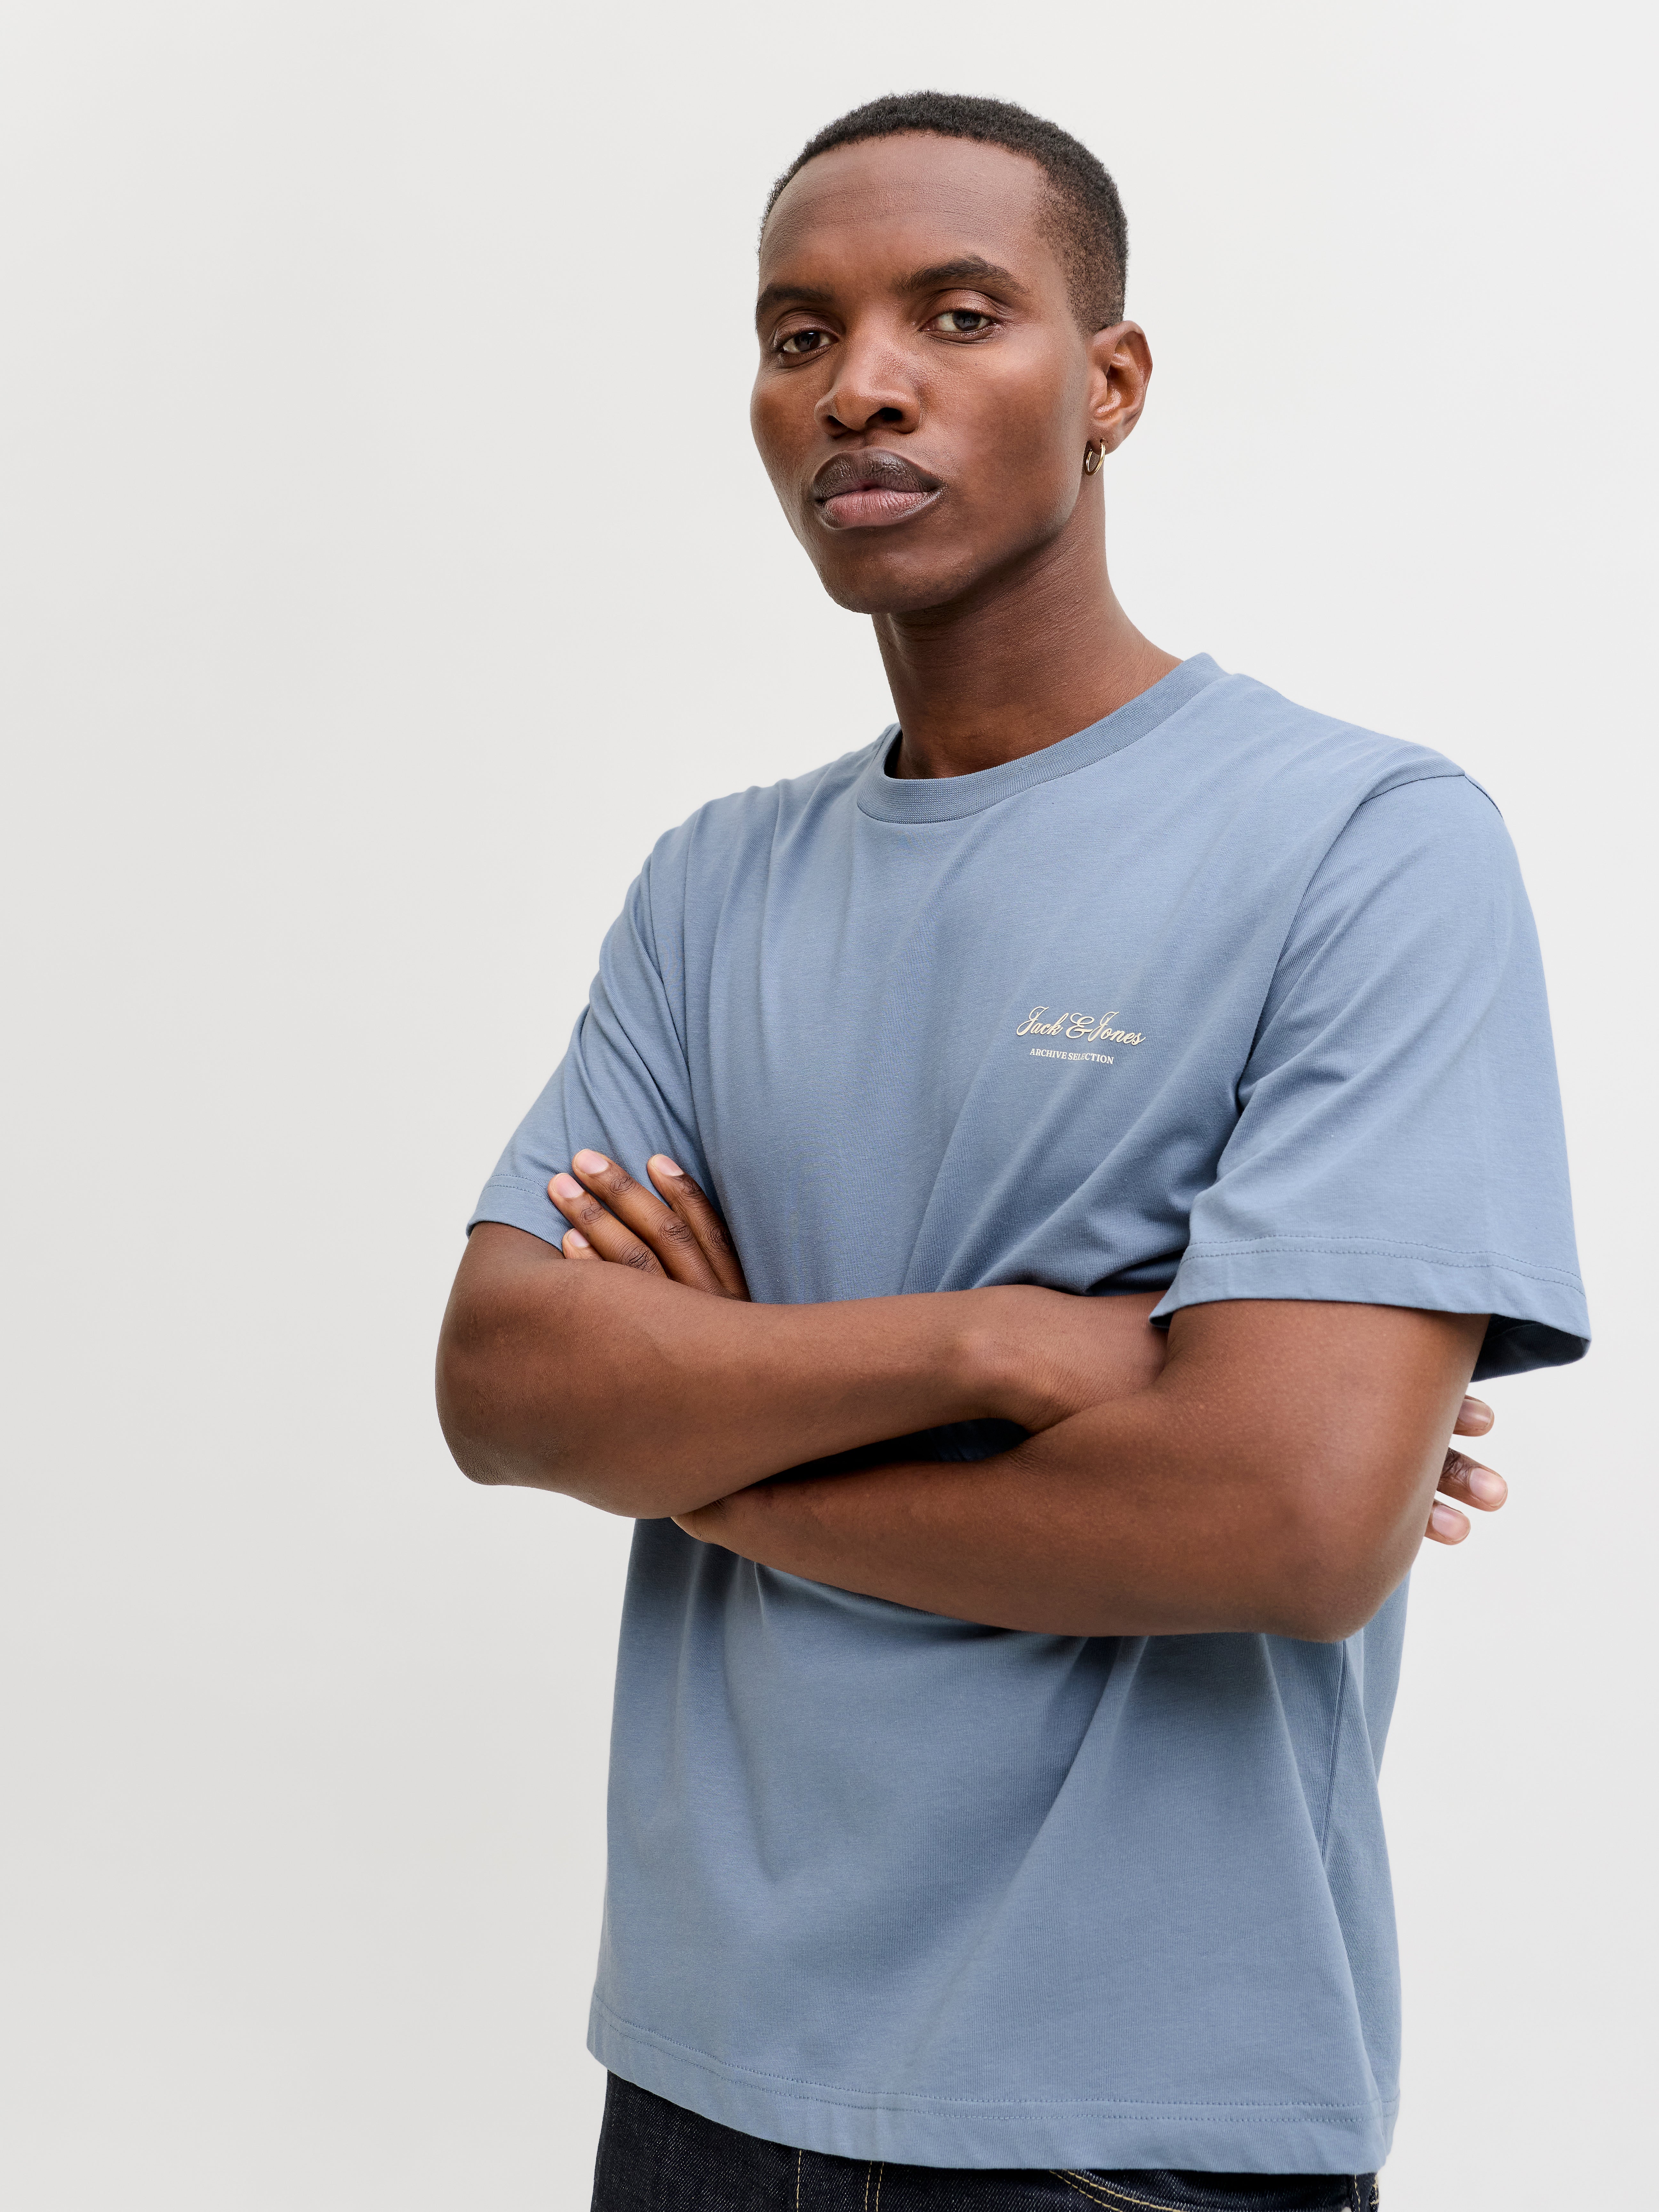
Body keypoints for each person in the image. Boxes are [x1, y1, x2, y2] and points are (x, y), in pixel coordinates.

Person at [436, 92, 1587, 2212]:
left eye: (958, 315)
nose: (860, 384)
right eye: (799, 334)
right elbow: (507, 1379)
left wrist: (718, 1454)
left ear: (1113, 382)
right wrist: (992, 1345)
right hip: (695, 2081)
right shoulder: (711, 887)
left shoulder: (1365, 846)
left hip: (1130, 2131)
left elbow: (1282, 1516)